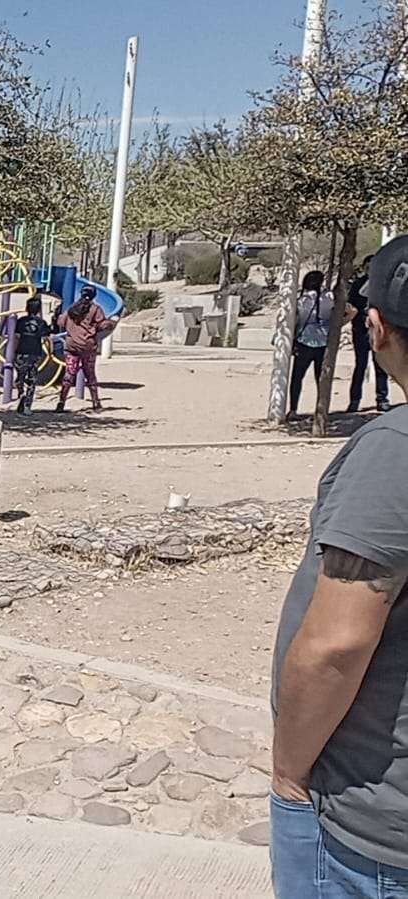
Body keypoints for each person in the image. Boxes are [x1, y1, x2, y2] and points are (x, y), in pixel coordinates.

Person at [269, 236, 408, 897]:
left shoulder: (394, 454)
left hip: (371, 830)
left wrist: (288, 773)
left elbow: (335, 645)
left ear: (375, 327)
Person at [55, 285, 115, 413]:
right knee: (90, 375)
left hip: (71, 346)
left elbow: (60, 322)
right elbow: (102, 325)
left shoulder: (72, 309)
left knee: (69, 374)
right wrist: (112, 322)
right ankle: (95, 403)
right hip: (87, 347)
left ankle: (61, 402)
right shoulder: (95, 309)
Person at [346, 257, 390, 414]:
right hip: (360, 330)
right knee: (360, 365)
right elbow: (351, 305)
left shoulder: (384, 285)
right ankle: (354, 400)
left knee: (380, 366)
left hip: (377, 330)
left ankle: (382, 399)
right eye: (368, 267)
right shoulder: (358, 284)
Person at [289, 270, 334, 419]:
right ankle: (321, 409)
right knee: (321, 378)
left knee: (297, 377)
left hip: (304, 340)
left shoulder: (302, 300)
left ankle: (293, 409)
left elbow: (296, 320)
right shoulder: (329, 297)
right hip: (323, 340)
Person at [13, 296, 54, 416]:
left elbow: (16, 337)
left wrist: (12, 352)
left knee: (20, 377)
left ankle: (21, 394)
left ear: (27, 308)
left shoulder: (20, 321)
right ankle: (27, 405)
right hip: (35, 353)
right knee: (32, 379)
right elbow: (47, 338)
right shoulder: (41, 323)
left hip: (21, 352)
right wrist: (51, 352)